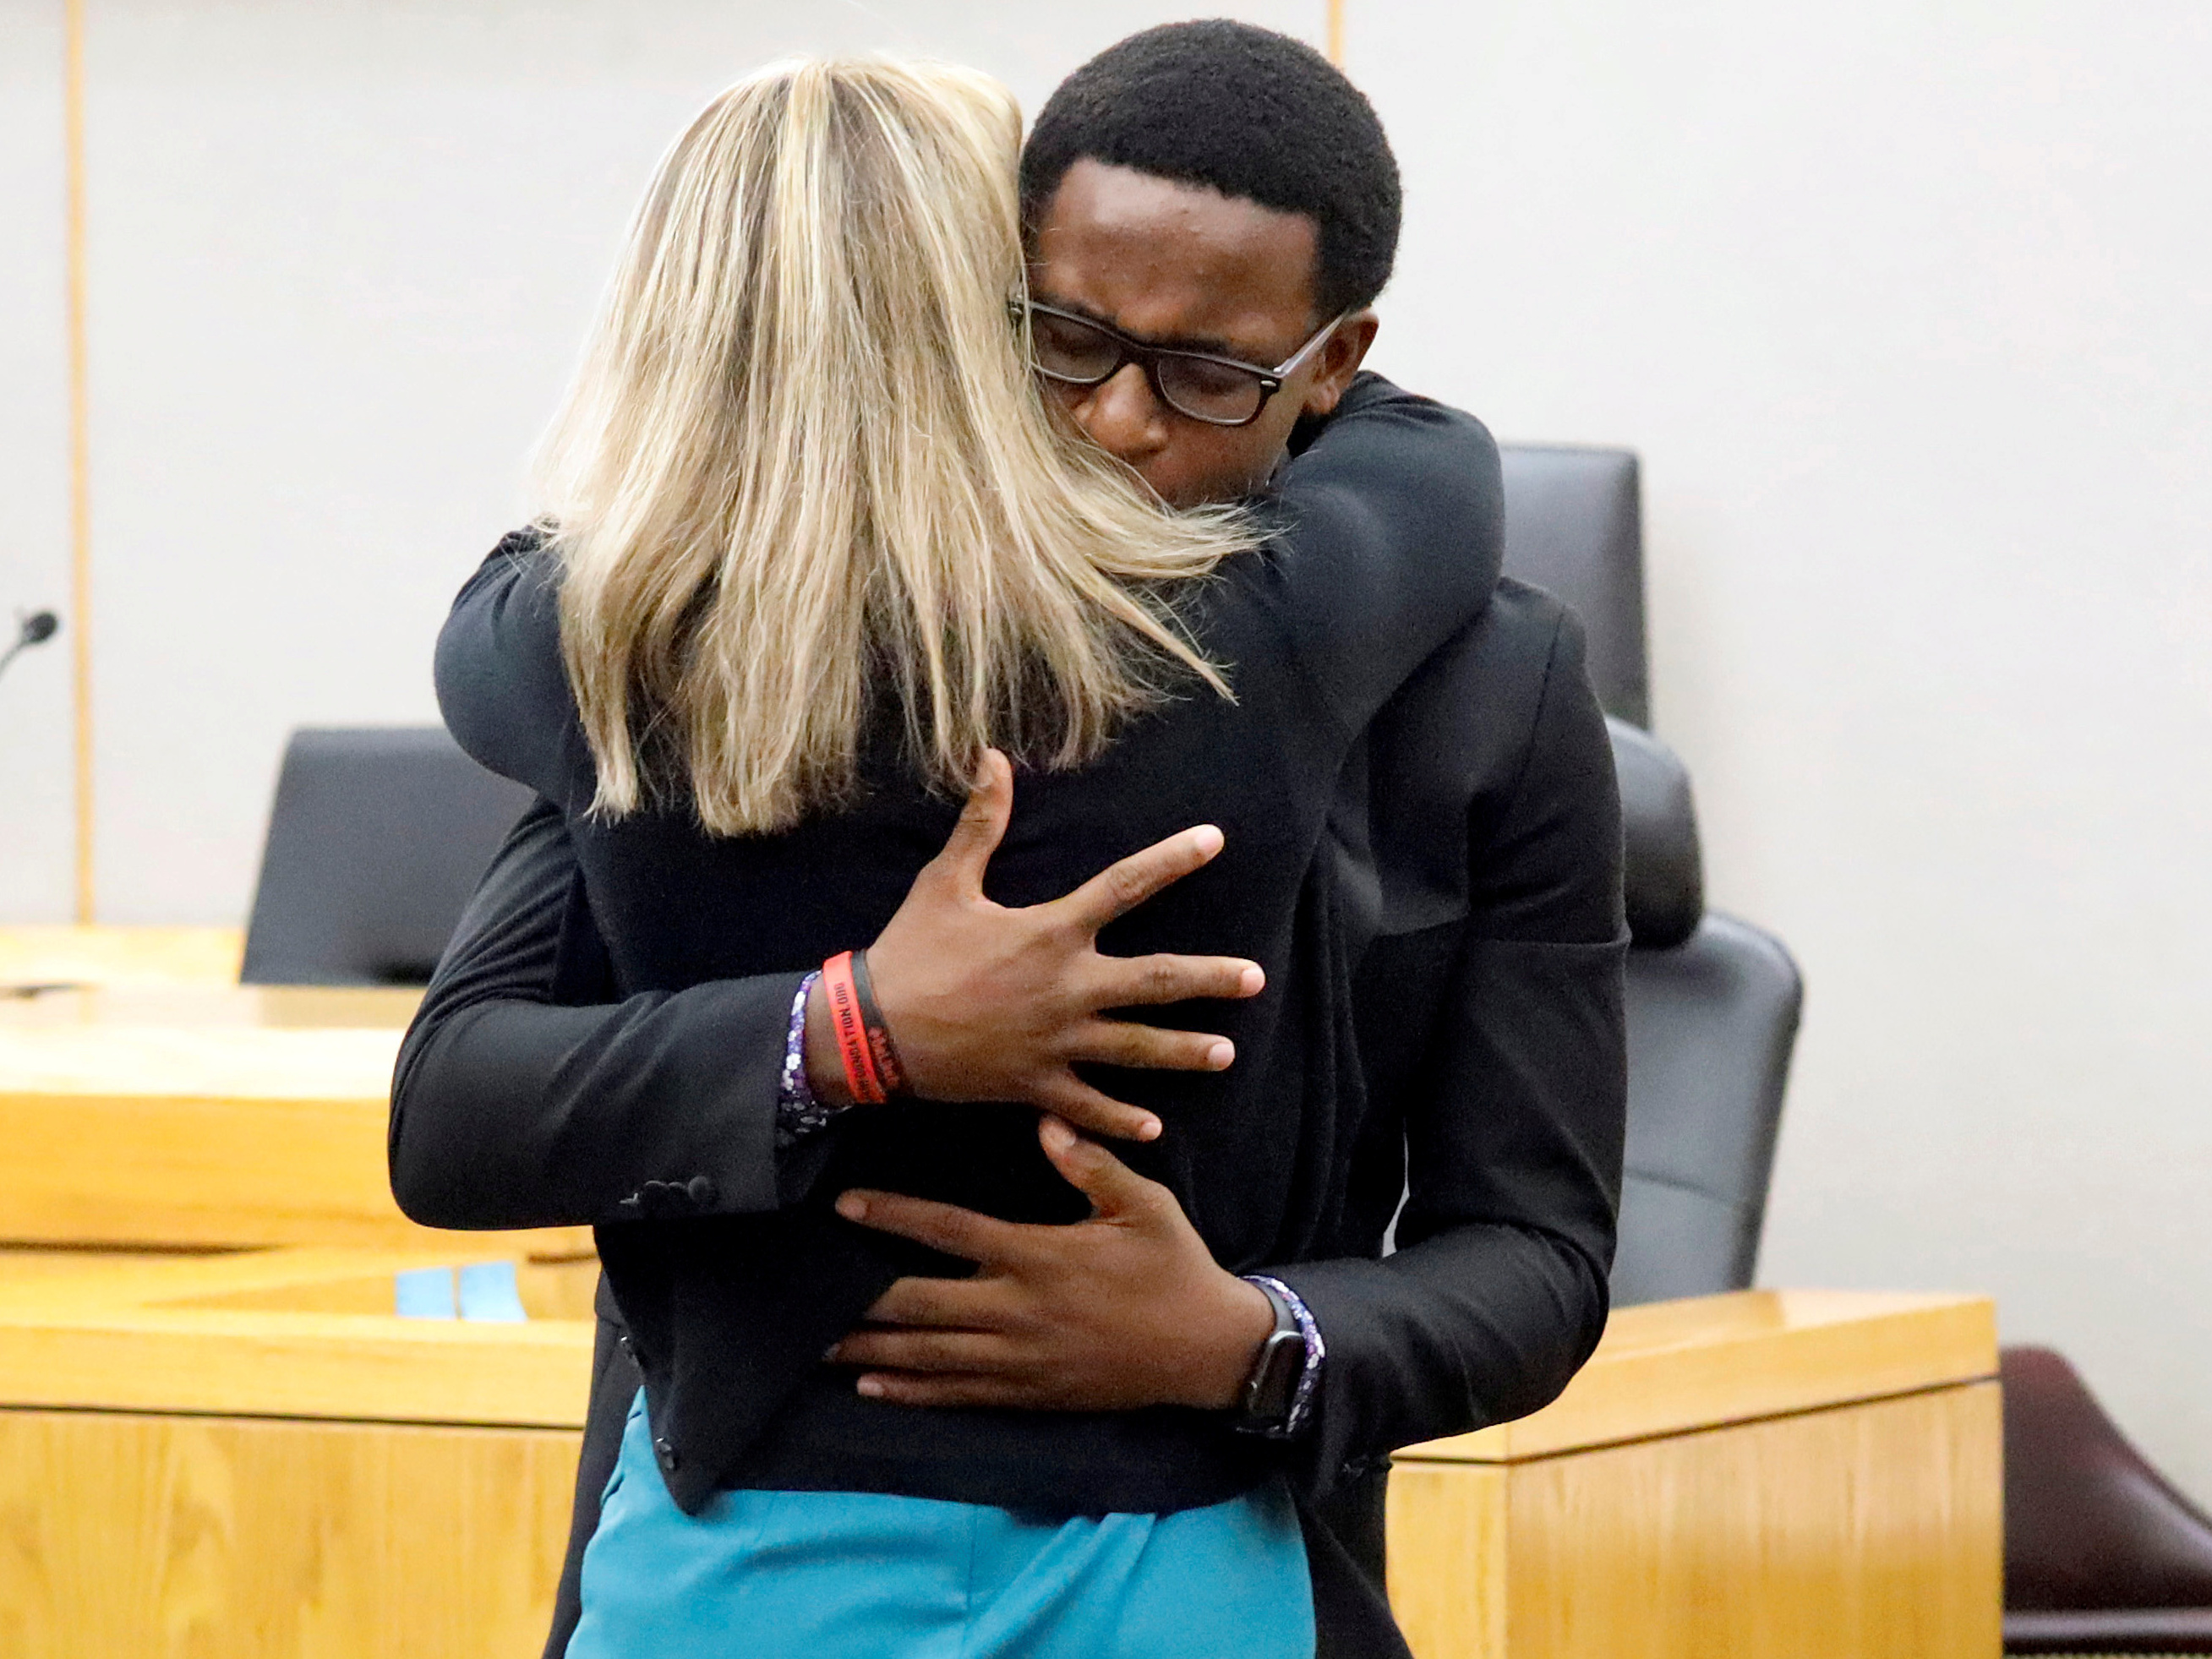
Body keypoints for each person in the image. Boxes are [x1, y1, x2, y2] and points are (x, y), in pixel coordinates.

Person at [393, 25, 1625, 1659]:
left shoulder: (1480, 679)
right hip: (738, 1524)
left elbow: (1537, 1254)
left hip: (1211, 1538)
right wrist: (847, 1031)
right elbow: (458, 1102)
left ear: (1329, 364)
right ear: (972, 313)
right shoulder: (713, 670)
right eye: (1058, 338)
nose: (1116, 423)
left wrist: (1246, 1341)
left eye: (1207, 375)